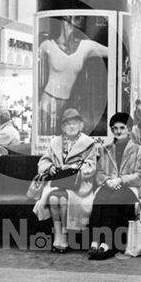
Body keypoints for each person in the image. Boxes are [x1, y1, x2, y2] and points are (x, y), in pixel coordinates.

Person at [32, 108, 100, 253]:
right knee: (54, 199)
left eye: (75, 123)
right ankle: (58, 233)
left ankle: (64, 235)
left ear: (81, 125)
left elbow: (91, 166)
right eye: (68, 123)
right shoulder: (55, 142)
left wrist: (74, 169)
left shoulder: (89, 143)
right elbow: (43, 162)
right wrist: (49, 167)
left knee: (63, 199)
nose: (71, 126)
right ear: (63, 127)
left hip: (79, 185)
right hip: (58, 182)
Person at [88, 112, 141, 260]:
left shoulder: (138, 150)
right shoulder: (105, 148)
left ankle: (108, 244)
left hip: (129, 187)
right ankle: (95, 241)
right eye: (115, 128)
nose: (118, 131)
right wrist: (107, 180)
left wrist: (120, 180)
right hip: (109, 185)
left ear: (129, 129)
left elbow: (140, 176)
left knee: (114, 199)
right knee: (100, 198)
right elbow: (99, 172)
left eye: (122, 127)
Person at [37, 15, 110, 131]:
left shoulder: (86, 47)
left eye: (80, 18)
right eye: (75, 18)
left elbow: (112, 51)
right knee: (47, 137)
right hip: (48, 101)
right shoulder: (47, 45)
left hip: (67, 105)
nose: (79, 21)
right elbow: (37, 72)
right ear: (64, 20)